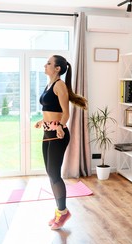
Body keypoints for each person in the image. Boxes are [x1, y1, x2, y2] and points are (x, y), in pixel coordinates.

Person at [35, 55, 87, 230]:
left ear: (57, 68)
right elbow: (51, 110)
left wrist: (60, 126)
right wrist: (43, 121)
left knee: (55, 174)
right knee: (50, 173)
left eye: (48, 63)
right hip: (47, 132)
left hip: (58, 134)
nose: (45, 64)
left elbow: (66, 113)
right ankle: (60, 212)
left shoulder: (60, 85)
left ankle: (63, 212)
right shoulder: (49, 85)